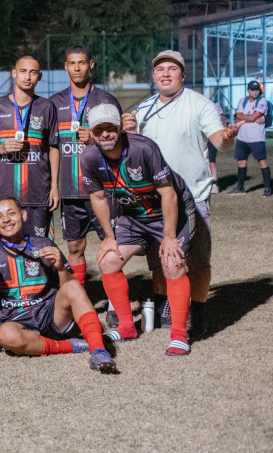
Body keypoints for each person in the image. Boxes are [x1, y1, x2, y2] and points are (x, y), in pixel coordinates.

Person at [123, 50, 238, 337]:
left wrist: (227, 139)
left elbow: (219, 142)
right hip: (155, 199)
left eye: (172, 69)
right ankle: (166, 306)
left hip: (193, 196)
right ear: (153, 76)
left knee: (198, 262)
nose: (165, 73)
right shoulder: (142, 109)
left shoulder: (200, 104)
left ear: (182, 75)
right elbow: (132, 149)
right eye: (160, 69)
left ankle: (197, 313)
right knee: (160, 260)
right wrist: (129, 131)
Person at [83, 104, 203, 356]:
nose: (105, 134)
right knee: (108, 260)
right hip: (134, 215)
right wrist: (108, 238)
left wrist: (169, 237)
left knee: (172, 263)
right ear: (91, 133)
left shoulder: (144, 148)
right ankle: (127, 327)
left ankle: (179, 335)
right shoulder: (89, 157)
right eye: (98, 129)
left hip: (174, 212)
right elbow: (98, 197)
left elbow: (169, 194)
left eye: (110, 127)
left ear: (119, 127)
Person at [0, 197, 117, 373]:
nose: (6, 220)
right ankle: (71, 346)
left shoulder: (43, 244)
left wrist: (60, 267)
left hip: (51, 314)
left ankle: (98, 350)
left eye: (11, 213)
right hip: (16, 320)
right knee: (6, 335)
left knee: (73, 286)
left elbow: (71, 288)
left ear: (23, 215)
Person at [48, 45, 121, 285]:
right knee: (75, 246)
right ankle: (79, 298)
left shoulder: (106, 100)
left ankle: (113, 301)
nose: (77, 68)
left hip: (102, 189)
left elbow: (120, 145)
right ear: (65, 66)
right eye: (72, 63)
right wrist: (54, 187)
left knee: (110, 245)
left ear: (91, 65)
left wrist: (95, 139)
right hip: (70, 191)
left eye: (81, 63)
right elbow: (53, 146)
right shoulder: (55, 103)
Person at [0, 55, 60, 238]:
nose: (27, 77)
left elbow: (53, 147)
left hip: (37, 192)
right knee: (5, 246)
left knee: (38, 247)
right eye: (23, 71)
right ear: (14, 73)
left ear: (39, 76)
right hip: (4, 193)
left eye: (33, 72)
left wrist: (54, 187)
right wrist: (2, 148)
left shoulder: (47, 107)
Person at [228, 80, 270, 196]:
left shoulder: (262, 101)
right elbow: (237, 117)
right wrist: (248, 117)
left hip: (257, 138)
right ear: (248, 90)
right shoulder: (242, 101)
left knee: (262, 162)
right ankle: (240, 188)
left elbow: (248, 117)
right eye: (252, 90)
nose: (255, 92)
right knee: (241, 162)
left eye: (257, 90)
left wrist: (242, 116)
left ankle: (268, 188)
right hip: (242, 138)